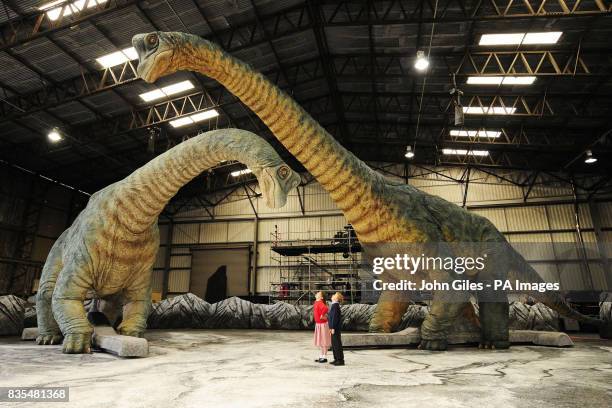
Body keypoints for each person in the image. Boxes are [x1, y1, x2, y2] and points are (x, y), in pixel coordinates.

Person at [313, 291, 331, 363]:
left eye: (318, 293)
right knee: (321, 340)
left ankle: (324, 357)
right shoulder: (316, 302)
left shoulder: (320, 302)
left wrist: (322, 315)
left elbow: (325, 308)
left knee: (324, 341)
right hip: (318, 324)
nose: (317, 293)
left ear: (322, 297)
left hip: (323, 325)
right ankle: (321, 356)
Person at [328, 292, 345, 366]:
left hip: (335, 328)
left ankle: (340, 360)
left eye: (334, 295)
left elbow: (334, 318)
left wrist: (332, 327)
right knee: (334, 344)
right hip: (333, 328)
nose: (332, 295)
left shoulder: (335, 306)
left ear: (336, 298)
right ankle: (336, 358)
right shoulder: (334, 305)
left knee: (337, 344)